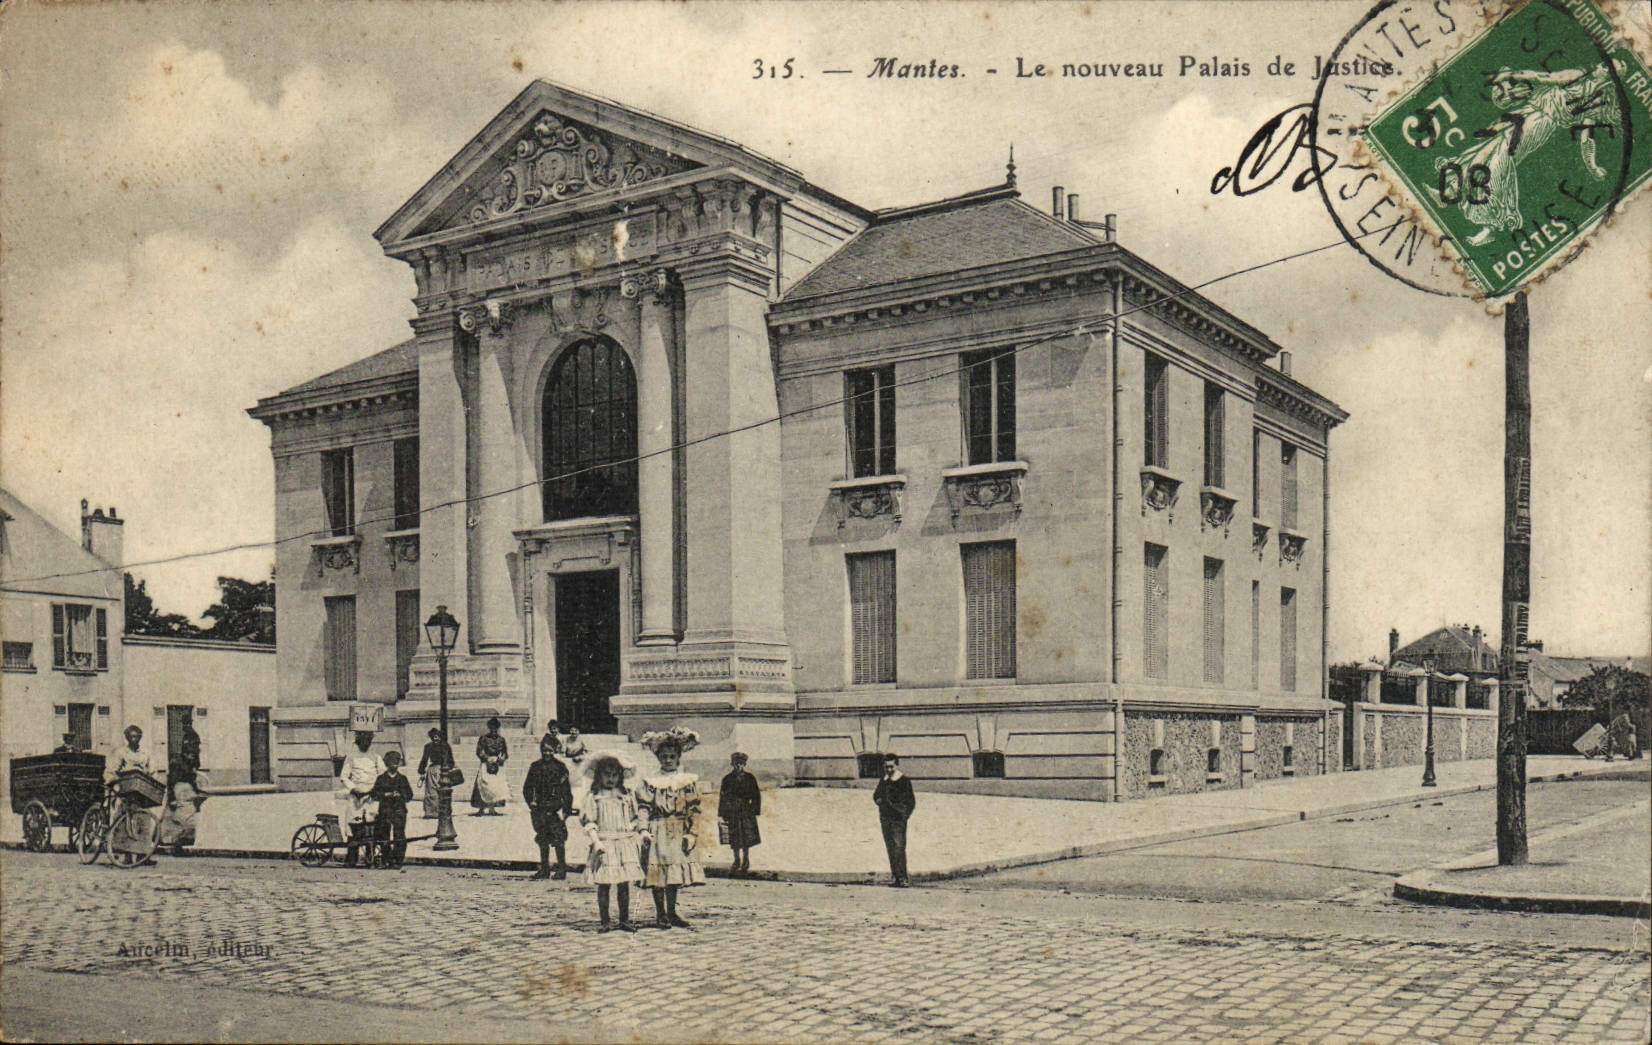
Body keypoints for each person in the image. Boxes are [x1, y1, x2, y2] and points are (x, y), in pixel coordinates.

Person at [639, 726, 705, 929]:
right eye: (664, 756)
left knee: (674, 874)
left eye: (672, 756)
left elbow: (694, 807)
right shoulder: (652, 781)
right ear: (659, 758)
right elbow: (643, 806)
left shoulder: (686, 781)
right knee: (658, 873)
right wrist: (643, 829)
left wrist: (692, 833)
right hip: (657, 828)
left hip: (678, 829)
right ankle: (660, 914)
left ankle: (671, 911)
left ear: (678, 758)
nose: (668, 760)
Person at [579, 753, 647, 932]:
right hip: (605, 843)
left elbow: (634, 818)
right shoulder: (594, 797)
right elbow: (589, 822)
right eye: (606, 774)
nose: (610, 779)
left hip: (624, 843)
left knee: (623, 883)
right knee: (604, 883)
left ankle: (624, 919)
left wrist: (636, 834)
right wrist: (596, 842)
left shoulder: (625, 796)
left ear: (620, 776)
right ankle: (605, 921)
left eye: (614, 774)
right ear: (599, 775)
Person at [523, 732, 575, 880]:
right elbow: (527, 787)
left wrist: (566, 808)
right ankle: (544, 869)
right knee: (542, 839)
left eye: (550, 750)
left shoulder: (560, 767)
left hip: (554, 808)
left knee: (559, 839)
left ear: (555, 751)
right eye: (544, 750)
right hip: (539, 807)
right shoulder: (535, 766)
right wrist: (531, 802)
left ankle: (562, 869)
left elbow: (566, 790)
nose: (547, 753)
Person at [338, 731, 385, 868]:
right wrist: (354, 788)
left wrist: (375, 789)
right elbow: (344, 776)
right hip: (356, 797)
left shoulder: (375, 757)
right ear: (358, 741)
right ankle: (351, 858)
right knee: (353, 826)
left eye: (368, 740)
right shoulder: (351, 757)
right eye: (363, 740)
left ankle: (370, 857)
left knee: (370, 826)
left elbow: (382, 775)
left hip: (371, 796)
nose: (365, 743)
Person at [873, 753, 915, 887]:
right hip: (886, 819)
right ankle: (896, 877)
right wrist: (878, 800)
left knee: (898, 847)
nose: (889, 770)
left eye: (891, 767)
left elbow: (911, 802)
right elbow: (876, 795)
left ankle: (903, 878)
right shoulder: (884, 780)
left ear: (896, 765)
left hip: (897, 820)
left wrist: (904, 815)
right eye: (886, 767)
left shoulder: (904, 781)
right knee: (890, 847)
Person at [718, 752, 762, 876]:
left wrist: (754, 810)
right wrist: (723, 812)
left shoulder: (750, 778)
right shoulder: (727, 779)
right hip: (732, 811)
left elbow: (756, 795)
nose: (739, 766)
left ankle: (746, 860)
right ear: (732, 764)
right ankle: (736, 860)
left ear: (744, 764)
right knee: (735, 837)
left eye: (741, 764)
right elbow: (723, 797)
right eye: (736, 764)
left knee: (746, 836)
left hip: (746, 811)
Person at [371, 750, 414, 869]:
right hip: (385, 811)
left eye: (397, 762)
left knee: (399, 835)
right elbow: (374, 794)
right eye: (392, 762)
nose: (395, 764)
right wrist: (385, 795)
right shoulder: (381, 779)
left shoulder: (403, 779)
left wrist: (400, 795)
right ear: (387, 764)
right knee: (384, 835)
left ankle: (398, 860)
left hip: (399, 811)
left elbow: (410, 795)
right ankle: (387, 858)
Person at [470, 717, 510, 815]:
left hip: (497, 765)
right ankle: (481, 808)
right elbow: (479, 751)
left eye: (495, 728)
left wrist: (501, 758)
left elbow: (505, 752)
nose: (493, 730)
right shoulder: (484, 738)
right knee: (483, 785)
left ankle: (492, 808)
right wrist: (487, 758)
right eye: (492, 728)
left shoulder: (501, 740)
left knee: (495, 786)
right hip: (486, 763)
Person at [418, 728, 454, 819]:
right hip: (433, 770)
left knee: (443, 791)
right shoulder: (428, 746)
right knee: (431, 791)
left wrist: (449, 768)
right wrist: (422, 771)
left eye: (437, 736)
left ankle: (443, 811)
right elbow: (424, 759)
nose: (436, 738)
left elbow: (451, 760)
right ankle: (430, 812)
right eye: (434, 736)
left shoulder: (446, 746)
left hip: (443, 770)